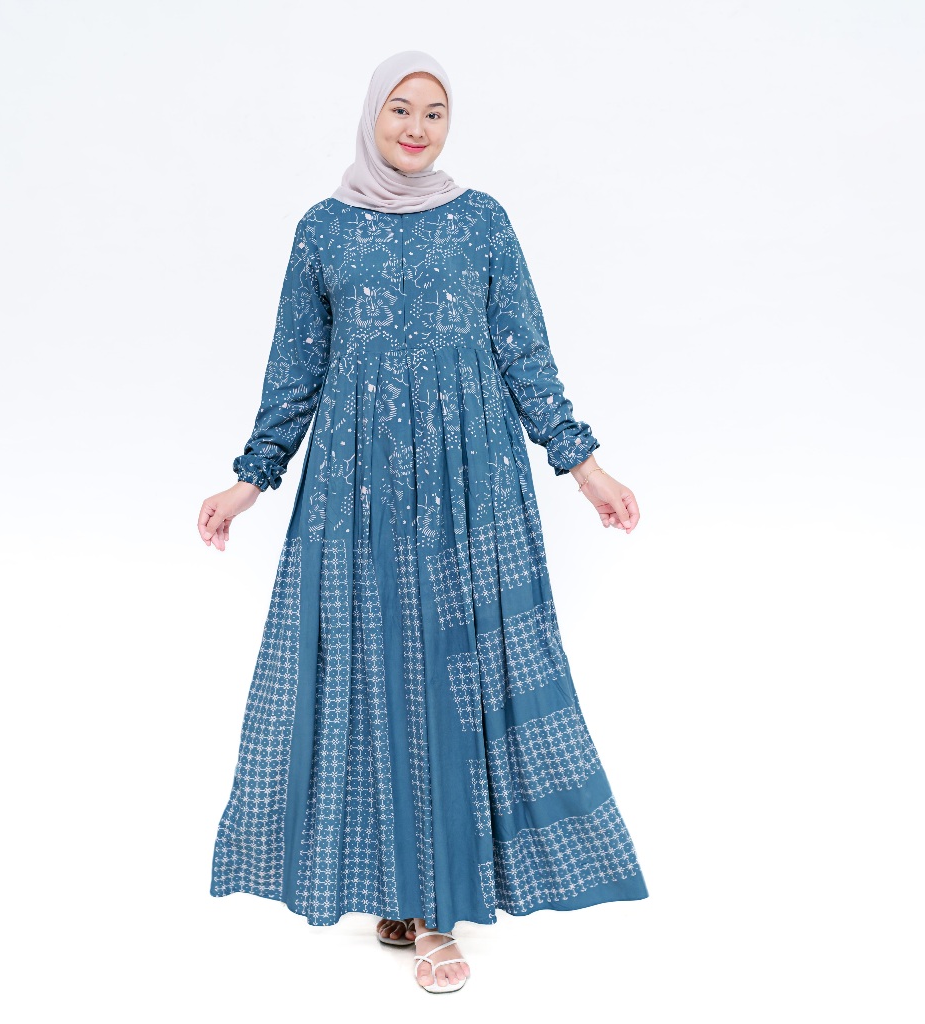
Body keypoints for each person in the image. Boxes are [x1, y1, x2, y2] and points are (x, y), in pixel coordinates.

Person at [197, 50, 648, 994]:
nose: (416, 127)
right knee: (372, 677)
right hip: (356, 486)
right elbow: (296, 368)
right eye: (400, 109)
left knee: (452, 679)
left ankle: (438, 913)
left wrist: (585, 467)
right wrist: (250, 480)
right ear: (372, 116)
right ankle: (399, 887)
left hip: (470, 482)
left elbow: (525, 353)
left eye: (434, 112)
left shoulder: (482, 221)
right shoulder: (323, 229)